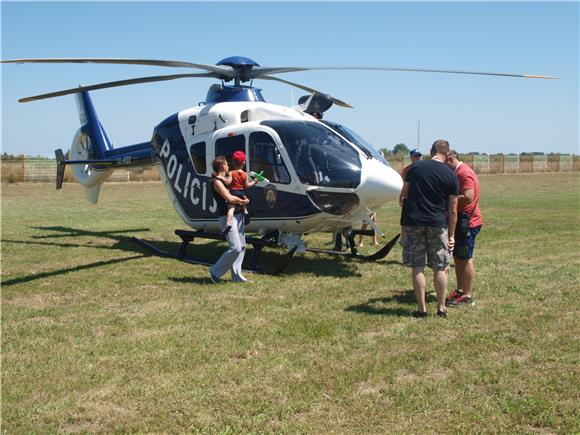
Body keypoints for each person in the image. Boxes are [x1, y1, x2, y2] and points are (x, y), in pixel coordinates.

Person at [399, 140, 459, 318]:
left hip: (414, 222)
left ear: (431, 151)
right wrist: (452, 235)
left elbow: (403, 194)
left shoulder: (415, 168)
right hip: (437, 223)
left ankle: (422, 309)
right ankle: (441, 308)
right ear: (447, 155)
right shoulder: (450, 175)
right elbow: (453, 209)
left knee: (417, 267)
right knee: (440, 267)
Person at [445, 150, 483, 306]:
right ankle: (460, 290)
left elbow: (468, 197)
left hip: (468, 223)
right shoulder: (458, 172)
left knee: (465, 258)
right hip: (461, 221)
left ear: (451, 159)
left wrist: (450, 199)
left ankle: (467, 295)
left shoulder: (463, 173)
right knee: (459, 257)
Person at [209, 156, 251, 283]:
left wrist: (243, 202)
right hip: (227, 218)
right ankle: (215, 271)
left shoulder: (226, 180)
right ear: (222, 166)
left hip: (238, 215)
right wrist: (243, 201)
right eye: (226, 164)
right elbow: (230, 198)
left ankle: (236, 275)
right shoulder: (216, 182)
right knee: (235, 247)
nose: (228, 166)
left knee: (242, 246)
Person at [216, 151, 257, 236]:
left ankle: (228, 224)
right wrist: (254, 181)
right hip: (241, 192)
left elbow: (228, 182)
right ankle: (245, 213)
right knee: (244, 205)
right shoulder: (245, 174)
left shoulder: (231, 172)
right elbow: (247, 186)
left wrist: (221, 178)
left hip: (233, 192)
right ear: (244, 163)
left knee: (231, 209)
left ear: (234, 162)